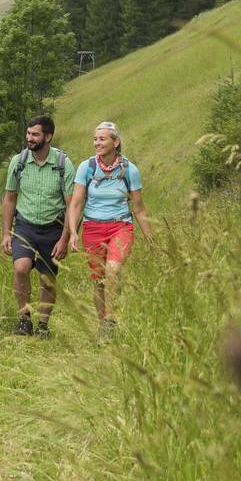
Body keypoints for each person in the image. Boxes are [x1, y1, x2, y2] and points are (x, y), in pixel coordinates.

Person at [66, 120, 154, 335]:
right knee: (98, 281)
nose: (97, 143)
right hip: (93, 228)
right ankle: (104, 325)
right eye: (95, 139)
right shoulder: (87, 167)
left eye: (102, 139)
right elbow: (76, 203)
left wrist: (151, 239)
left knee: (112, 270)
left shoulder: (129, 170)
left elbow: (139, 209)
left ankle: (111, 320)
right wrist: (72, 233)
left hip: (120, 227)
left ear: (116, 142)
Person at [1, 115, 74, 336]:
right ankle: (24, 318)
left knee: (47, 278)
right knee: (21, 268)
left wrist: (65, 238)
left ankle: (43, 324)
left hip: (53, 228)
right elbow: (10, 198)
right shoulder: (19, 162)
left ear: (48, 137)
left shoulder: (63, 164)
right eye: (28, 133)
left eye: (35, 134)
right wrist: (6, 233)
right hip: (25, 226)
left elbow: (72, 205)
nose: (29, 138)